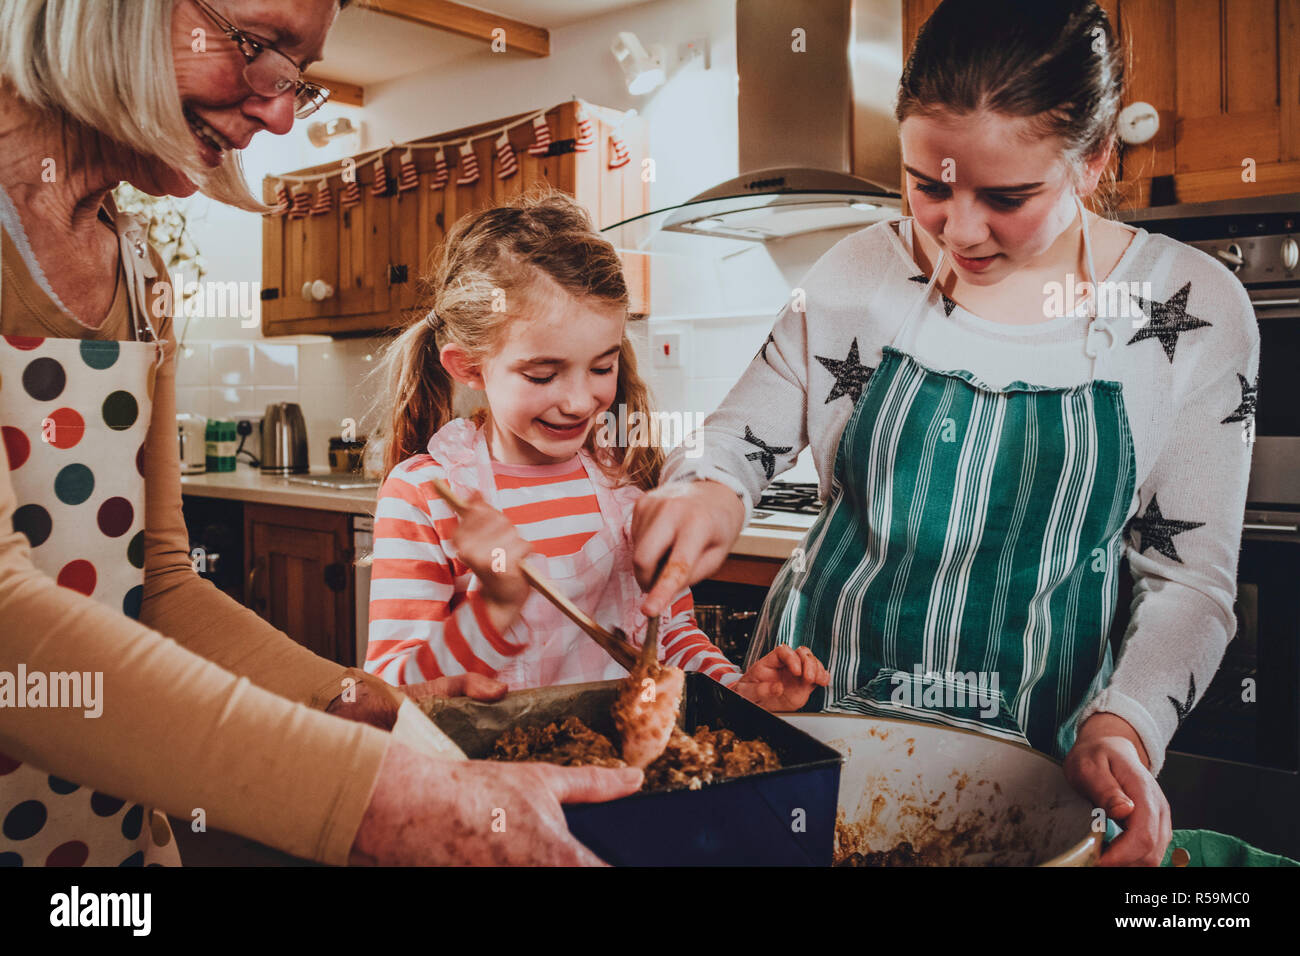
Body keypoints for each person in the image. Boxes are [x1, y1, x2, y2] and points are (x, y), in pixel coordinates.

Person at [0, 0, 640, 868]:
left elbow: (159, 583)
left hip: (99, 833)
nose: (279, 111)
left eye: (293, 75)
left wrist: (364, 702)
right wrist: (378, 801)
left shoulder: (141, 270)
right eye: (256, 46)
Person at [631, 0, 1259, 867]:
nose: (960, 230)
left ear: (1095, 159)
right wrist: (703, 493)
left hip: (1037, 774)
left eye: (1008, 196)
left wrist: (1128, 726)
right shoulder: (859, 270)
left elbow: (1189, 582)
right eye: (928, 184)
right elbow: (734, 444)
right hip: (815, 741)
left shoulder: (1190, 311)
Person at [363, 188, 829, 709]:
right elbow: (394, 694)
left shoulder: (625, 482)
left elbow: (669, 640)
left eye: (602, 367)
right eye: (542, 374)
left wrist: (737, 692)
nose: (581, 401)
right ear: (469, 367)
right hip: (494, 780)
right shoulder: (426, 496)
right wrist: (491, 609)